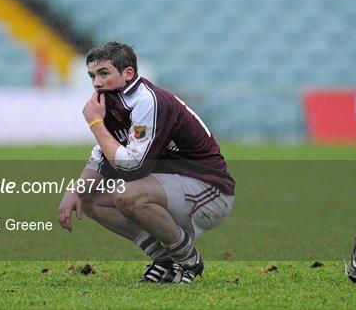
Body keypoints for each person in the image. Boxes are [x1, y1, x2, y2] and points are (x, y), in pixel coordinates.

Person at [57, 42, 235, 284]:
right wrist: (74, 192)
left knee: (128, 194)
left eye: (104, 73)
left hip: (211, 192)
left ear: (128, 73)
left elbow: (133, 166)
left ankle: (188, 260)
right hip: (171, 187)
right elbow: (103, 154)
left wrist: (96, 125)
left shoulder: (148, 101)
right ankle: (164, 259)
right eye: (92, 76)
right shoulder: (111, 102)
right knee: (88, 198)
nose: (96, 83)